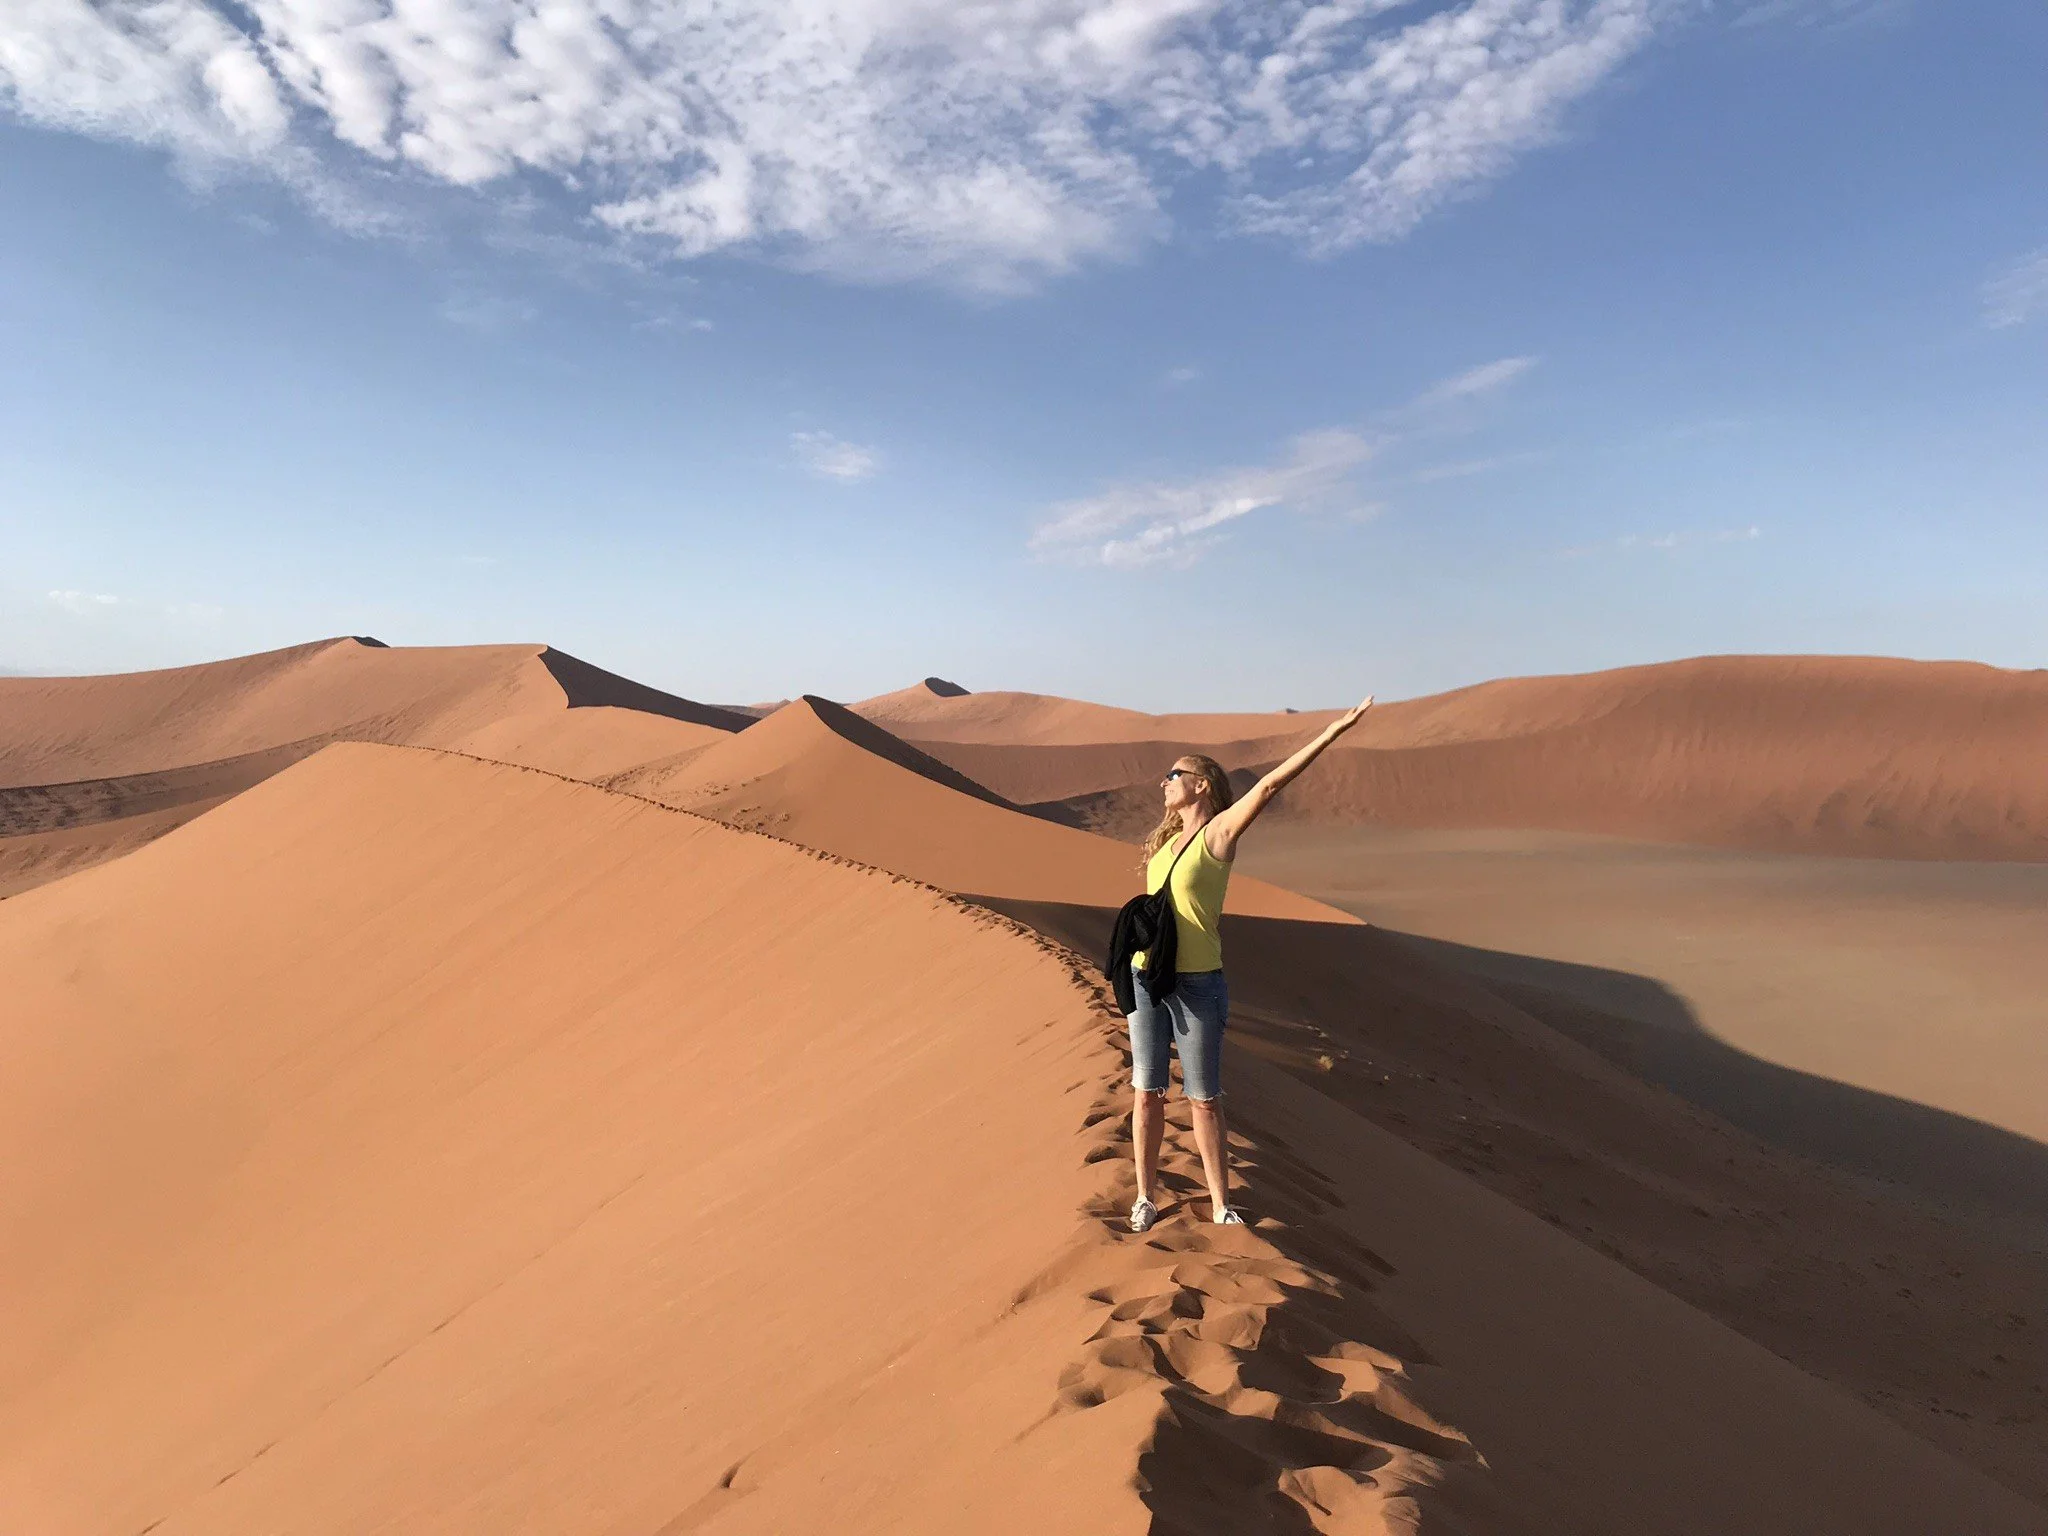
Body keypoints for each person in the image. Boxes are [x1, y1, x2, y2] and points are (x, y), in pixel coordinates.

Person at [1126, 697, 1375, 1233]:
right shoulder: (1165, 841)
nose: (1164, 782)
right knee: (1146, 1092)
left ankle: (1221, 1204)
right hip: (1147, 978)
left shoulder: (1217, 835)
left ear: (1201, 785)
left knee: (1203, 1100)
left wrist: (1331, 732)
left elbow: (1267, 787)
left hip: (1197, 983)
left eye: (1174, 774)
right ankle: (1145, 1196)